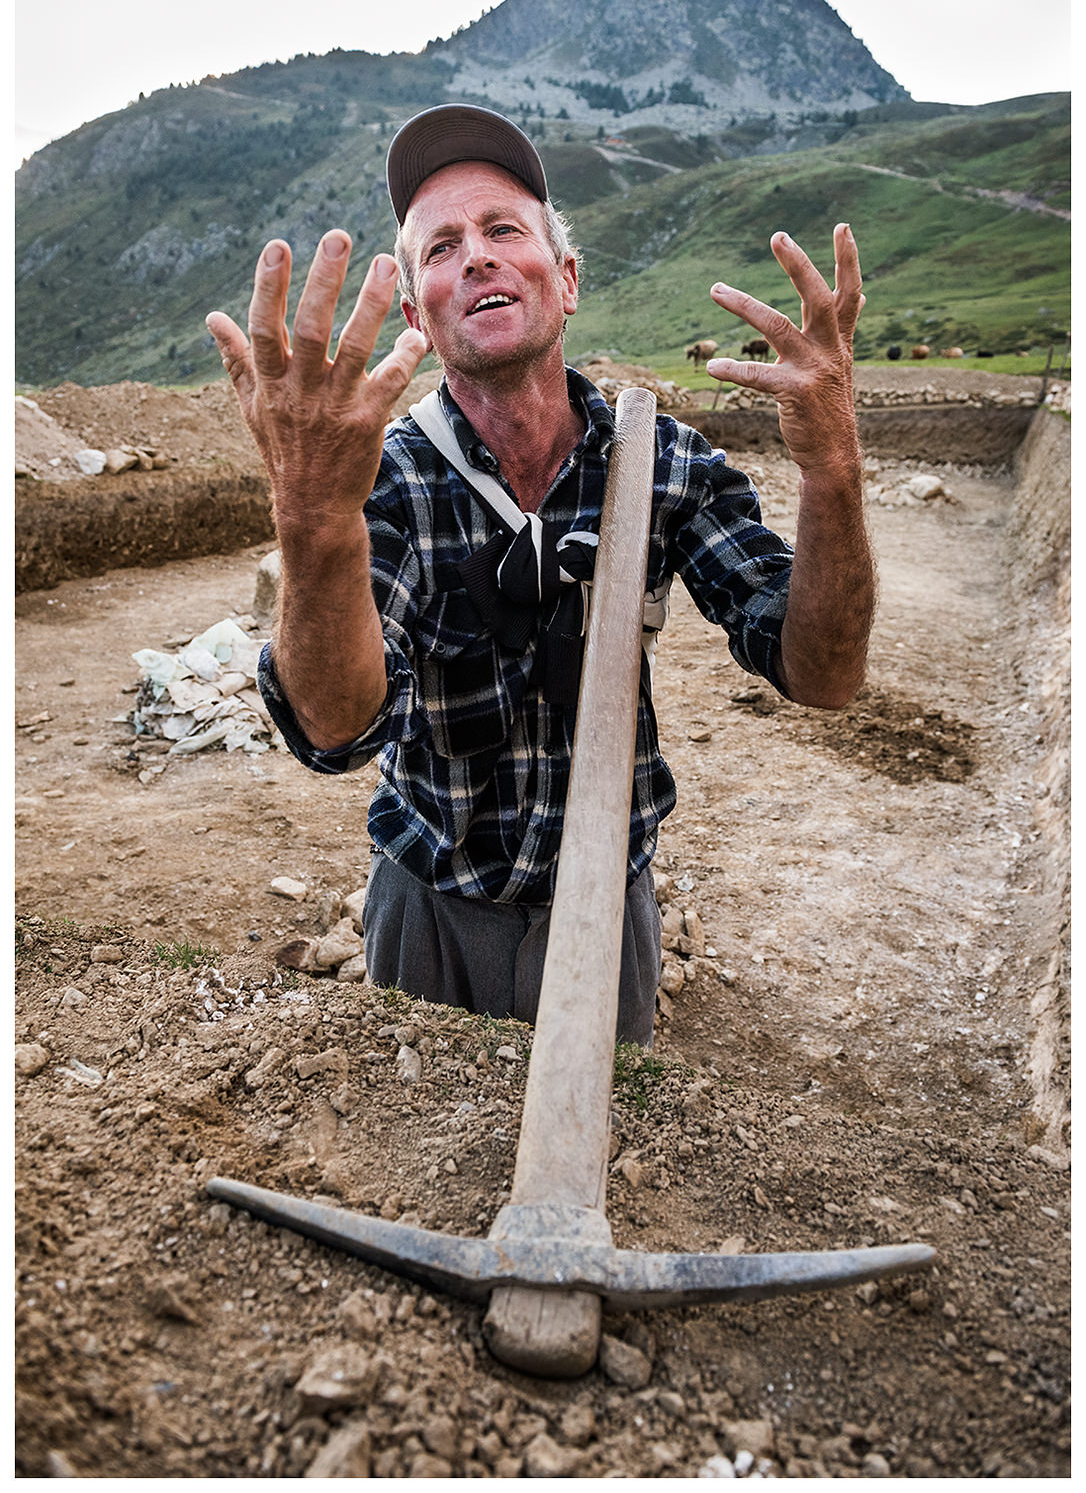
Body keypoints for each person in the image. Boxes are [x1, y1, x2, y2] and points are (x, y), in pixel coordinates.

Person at [206, 104, 875, 1046]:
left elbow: (824, 673)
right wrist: (315, 520)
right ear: (416, 316)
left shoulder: (664, 466)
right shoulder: (389, 480)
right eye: (441, 248)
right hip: (430, 908)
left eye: (504, 230)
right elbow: (335, 727)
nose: (475, 256)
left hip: (609, 915)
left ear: (565, 282)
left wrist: (833, 469)